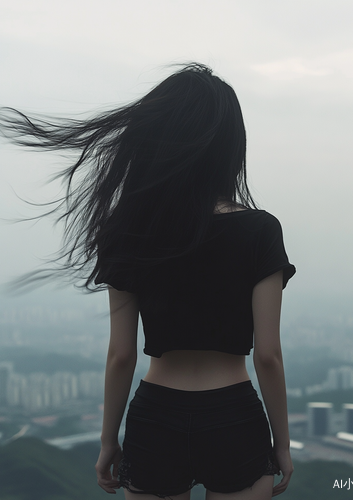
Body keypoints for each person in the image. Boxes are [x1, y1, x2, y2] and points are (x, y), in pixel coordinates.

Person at [1, 63, 295, 499]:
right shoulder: (261, 230)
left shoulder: (129, 230)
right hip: (234, 416)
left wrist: (108, 442)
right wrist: (282, 446)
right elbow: (267, 355)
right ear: (231, 147)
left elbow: (122, 354)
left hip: (155, 417)